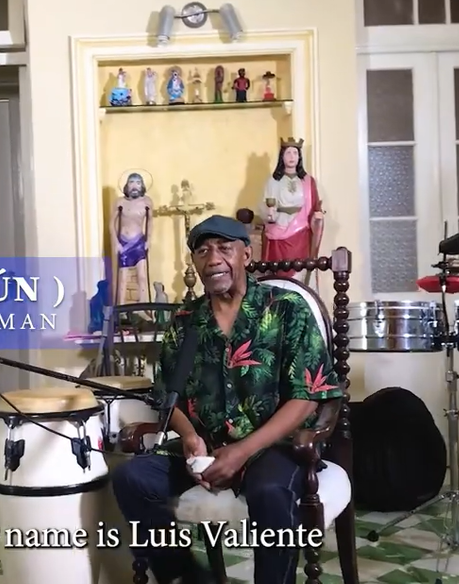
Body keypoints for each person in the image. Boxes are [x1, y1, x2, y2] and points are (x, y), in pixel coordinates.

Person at [112, 215, 343, 584]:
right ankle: (188, 577)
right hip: (207, 446)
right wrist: (190, 437)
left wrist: (242, 451)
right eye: (203, 251)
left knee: (271, 493)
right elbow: (168, 396)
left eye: (224, 248)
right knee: (131, 478)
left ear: (246, 254)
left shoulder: (287, 309)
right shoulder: (185, 321)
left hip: (274, 445)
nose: (213, 258)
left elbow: (308, 396)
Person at [262, 138, 324, 282]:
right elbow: (266, 205)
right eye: (288, 153)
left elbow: (315, 206)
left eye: (295, 153)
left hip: (300, 231)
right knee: (279, 271)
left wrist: (317, 217)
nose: (291, 157)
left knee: (299, 269)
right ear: (282, 156)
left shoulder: (308, 181)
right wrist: (269, 214)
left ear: (299, 157)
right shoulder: (273, 181)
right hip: (279, 228)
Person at [110, 172, 153, 306]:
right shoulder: (120, 202)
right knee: (122, 278)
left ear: (142, 186)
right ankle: (121, 307)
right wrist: (116, 242)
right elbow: (111, 224)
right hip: (124, 242)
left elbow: (150, 222)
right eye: (131, 182)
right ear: (127, 185)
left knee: (142, 276)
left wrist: (149, 240)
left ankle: (143, 306)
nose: (134, 186)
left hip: (139, 241)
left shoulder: (147, 202)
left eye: (138, 183)